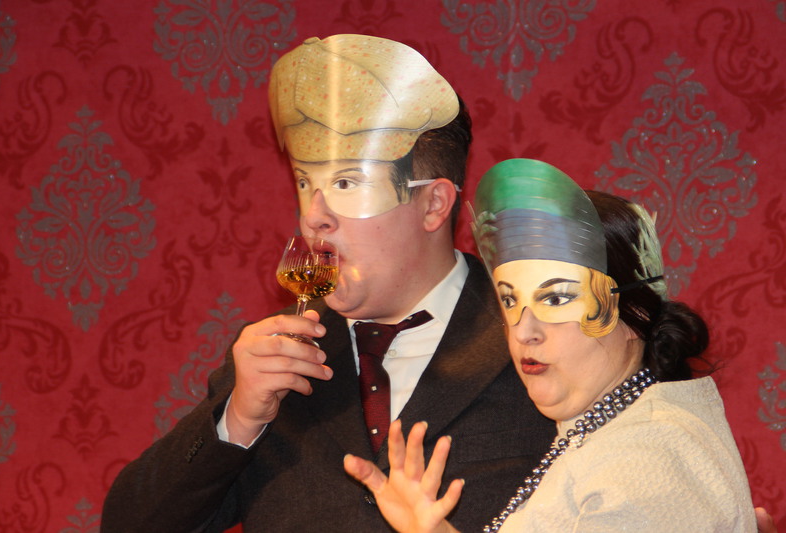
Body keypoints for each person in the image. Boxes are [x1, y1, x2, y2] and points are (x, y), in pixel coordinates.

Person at [101, 35, 555, 532]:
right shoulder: (277, 355)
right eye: (305, 184)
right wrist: (239, 419)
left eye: (345, 184)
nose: (314, 217)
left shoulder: (538, 333)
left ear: (433, 204)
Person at [344, 158, 759, 532]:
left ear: (635, 315)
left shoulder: (646, 458)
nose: (524, 331)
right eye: (510, 301)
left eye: (557, 299)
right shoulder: (608, 435)